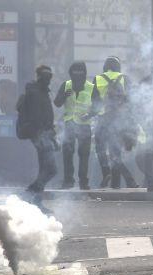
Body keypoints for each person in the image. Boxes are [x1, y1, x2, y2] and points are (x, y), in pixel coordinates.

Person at [90, 56, 137, 188]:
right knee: (115, 152)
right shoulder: (125, 78)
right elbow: (132, 101)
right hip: (120, 120)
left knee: (100, 148)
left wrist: (89, 114)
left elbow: (94, 102)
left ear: (105, 67)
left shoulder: (98, 79)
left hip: (103, 119)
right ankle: (121, 183)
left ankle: (107, 173)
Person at [54, 62, 93, 190]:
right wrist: (64, 95)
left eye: (79, 75)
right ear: (71, 74)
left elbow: (98, 105)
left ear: (84, 75)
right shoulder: (66, 85)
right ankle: (68, 181)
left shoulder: (91, 87)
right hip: (69, 124)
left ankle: (83, 182)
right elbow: (57, 103)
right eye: (74, 75)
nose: (77, 78)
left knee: (84, 154)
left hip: (84, 125)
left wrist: (89, 114)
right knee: (67, 153)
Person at [24, 65, 57, 213]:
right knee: (51, 169)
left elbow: (47, 116)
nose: (48, 79)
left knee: (45, 169)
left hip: (45, 135)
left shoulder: (42, 91)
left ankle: (36, 201)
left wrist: (53, 137)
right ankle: (31, 192)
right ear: (39, 76)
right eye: (45, 75)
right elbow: (37, 117)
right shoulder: (35, 92)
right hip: (40, 135)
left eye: (50, 76)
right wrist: (43, 135)